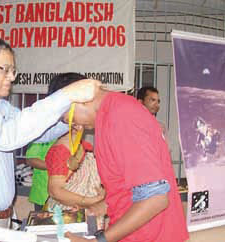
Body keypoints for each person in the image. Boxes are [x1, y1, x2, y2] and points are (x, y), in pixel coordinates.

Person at [0, 36, 101, 242]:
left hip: (0, 221)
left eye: (13, 70)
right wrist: (64, 95)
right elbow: (6, 136)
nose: (11, 77)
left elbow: (38, 133)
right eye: (4, 69)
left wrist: (69, 119)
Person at [49, 73, 188, 242]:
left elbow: (155, 199)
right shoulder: (111, 115)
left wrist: (100, 241)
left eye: (68, 119)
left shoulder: (121, 117)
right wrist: (105, 205)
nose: (75, 126)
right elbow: (132, 186)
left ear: (81, 98)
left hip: (150, 235)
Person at [45, 73, 104, 211]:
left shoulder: (84, 146)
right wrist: (90, 201)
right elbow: (55, 191)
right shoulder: (60, 151)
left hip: (85, 211)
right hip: (66, 215)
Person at [25, 140, 56, 211]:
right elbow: (30, 160)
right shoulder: (40, 136)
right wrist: (56, 167)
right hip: (43, 194)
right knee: (44, 221)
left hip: (66, 193)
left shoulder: (69, 135)